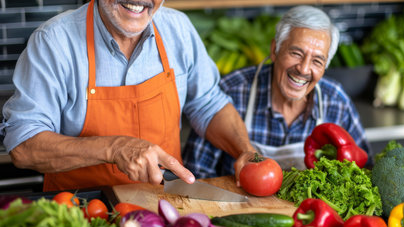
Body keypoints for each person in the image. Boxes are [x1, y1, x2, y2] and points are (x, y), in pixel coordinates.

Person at [0, 0, 256, 191]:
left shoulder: (178, 28)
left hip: (167, 205)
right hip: (82, 212)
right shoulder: (54, 41)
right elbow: (24, 146)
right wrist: (114, 148)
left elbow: (209, 105)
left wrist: (244, 150)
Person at [183, 5, 372, 179]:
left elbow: (364, 171)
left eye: (317, 61)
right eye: (296, 53)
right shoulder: (233, 91)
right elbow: (196, 173)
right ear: (275, 50)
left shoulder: (337, 102)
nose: (304, 69)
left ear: (325, 67)